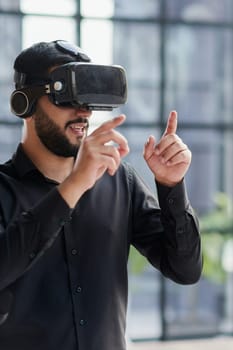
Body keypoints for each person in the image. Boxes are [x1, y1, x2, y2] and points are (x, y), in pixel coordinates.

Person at [0, 40, 202, 350]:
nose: (83, 111)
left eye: (88, 98)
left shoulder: (119, 179)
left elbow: (185, 270)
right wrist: (74, 185)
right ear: (23, 103)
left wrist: (171, 186)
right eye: (66, 97)